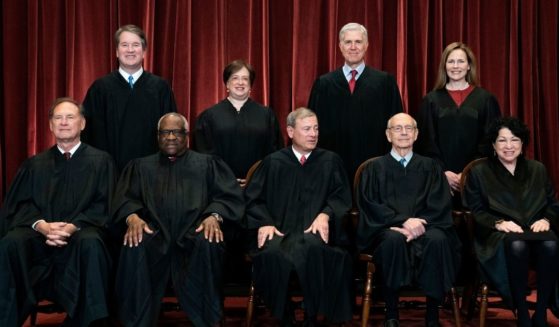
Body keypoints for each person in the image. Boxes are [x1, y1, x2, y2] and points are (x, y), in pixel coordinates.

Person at [112, 113, 244, 327]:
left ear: (186, 135)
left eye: (176, 132)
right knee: (134, 242)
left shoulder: (208, 164)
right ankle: (136, 320)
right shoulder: (140, 167)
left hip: (195, 233)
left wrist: (214, 215)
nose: (171, 137)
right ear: (158, 136)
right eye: (165, 132)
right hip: (153, 235)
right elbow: (124, 199)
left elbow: (228, 196)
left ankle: (209, 320)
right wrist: (132, 217)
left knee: (210, 240)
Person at [0, 97, 116, 326]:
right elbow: (19, 206)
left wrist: (73, 226)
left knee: (91, 243)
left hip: (80, 234)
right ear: (51, 125)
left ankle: (87, 321)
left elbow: (105, 204)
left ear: (82, 124)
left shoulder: (101, 161)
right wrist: (42, 226)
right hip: (40, 237)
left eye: (70, 117)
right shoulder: (34, 164)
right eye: (58, 118)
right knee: (10, 243)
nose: (64, 122)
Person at [245, 108, 353, 326]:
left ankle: (312, 315)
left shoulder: (330, 161)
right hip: (279, 230)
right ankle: (284, 312)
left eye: (316, 128)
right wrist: (264, 222)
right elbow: (252, 200)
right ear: (291, 131)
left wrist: (326, 214)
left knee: (314, 249)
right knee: (273, 253)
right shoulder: (273, 162)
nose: (313, 134)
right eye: (307, 129)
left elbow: (342, 198)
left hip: (314, 231)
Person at [357, 113, 460, 327]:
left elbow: (440, 204)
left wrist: (419, 223)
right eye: (397, 128)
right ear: (388, 135)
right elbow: (370, 204)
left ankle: (432, 316)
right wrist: (403, 221)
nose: (403, 133)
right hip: (388, 227)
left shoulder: (431, 167)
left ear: (416, 134)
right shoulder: (374, 169)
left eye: (408, 128)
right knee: (392, 241)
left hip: (427, 226)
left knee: (437, 240)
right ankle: (391, 315)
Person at [462, 117, 559, 327]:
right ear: (493, 145)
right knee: (517, 245)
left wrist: (546, 219)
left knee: (551, 244)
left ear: (522, 144)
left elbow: (553, 204)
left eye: (514, 140)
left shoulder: (537, 169)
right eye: (502, 140)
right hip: (496, 234)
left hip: (534, 229)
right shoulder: (480, 172)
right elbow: (476, 211)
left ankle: (541, 312)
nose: (508, 146)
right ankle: (522, 313)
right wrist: (498, 222)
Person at [308, 22, 403, 180]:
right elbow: (312, 127)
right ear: (340, 46)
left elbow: (397, 126)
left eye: (358, 42)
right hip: (333, 169)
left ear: (366, 45)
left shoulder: (385, 82)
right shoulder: (323, 84)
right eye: (348, 42)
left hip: (376, 168)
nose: (353, 47)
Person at [82, 24, 177, 172]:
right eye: (124, 45)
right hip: (109, 174)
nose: (130, 50)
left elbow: (171, 132)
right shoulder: (100, 89)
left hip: (153, 173)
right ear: (117, 52)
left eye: (136, 45)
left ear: (144, 52)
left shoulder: (160, 88)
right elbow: (89, 134)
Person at [415, 42, 501, 201]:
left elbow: (490, 142)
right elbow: (426, 142)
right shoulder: (431, 100)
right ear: (444, 66)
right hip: (439, 179)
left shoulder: (486, 99)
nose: (456, 66)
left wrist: (468, 172)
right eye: (451, 61)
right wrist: (442, 172)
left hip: (477, 178)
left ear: (469, 66)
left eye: (461, 61)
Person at [194, 59, 283, 188]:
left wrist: (256, 178)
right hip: (220, 187)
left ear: (251, 85)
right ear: (227, 84)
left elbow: (274, 153)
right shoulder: (209, 116)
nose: (240, 82)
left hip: (259, 187)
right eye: (235, 78)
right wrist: (225, 179)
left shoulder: (266, 115)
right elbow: (203, 155)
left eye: (245, 79)